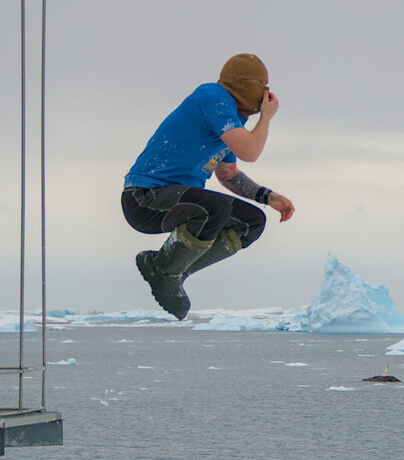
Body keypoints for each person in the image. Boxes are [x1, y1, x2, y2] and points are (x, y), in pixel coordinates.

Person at [121, 53, 294, 320]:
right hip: (145, 198)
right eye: (263, 85)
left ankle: (175, 272)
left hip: (181, 203)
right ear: (247, 85)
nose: (266, 94)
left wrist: (266, 196)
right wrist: (266, 118)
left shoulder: (230, 116)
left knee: (251, 222)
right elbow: (250, 151)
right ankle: (162, 269)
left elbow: (228, 174)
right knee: (214, 208)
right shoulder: (213, 98)